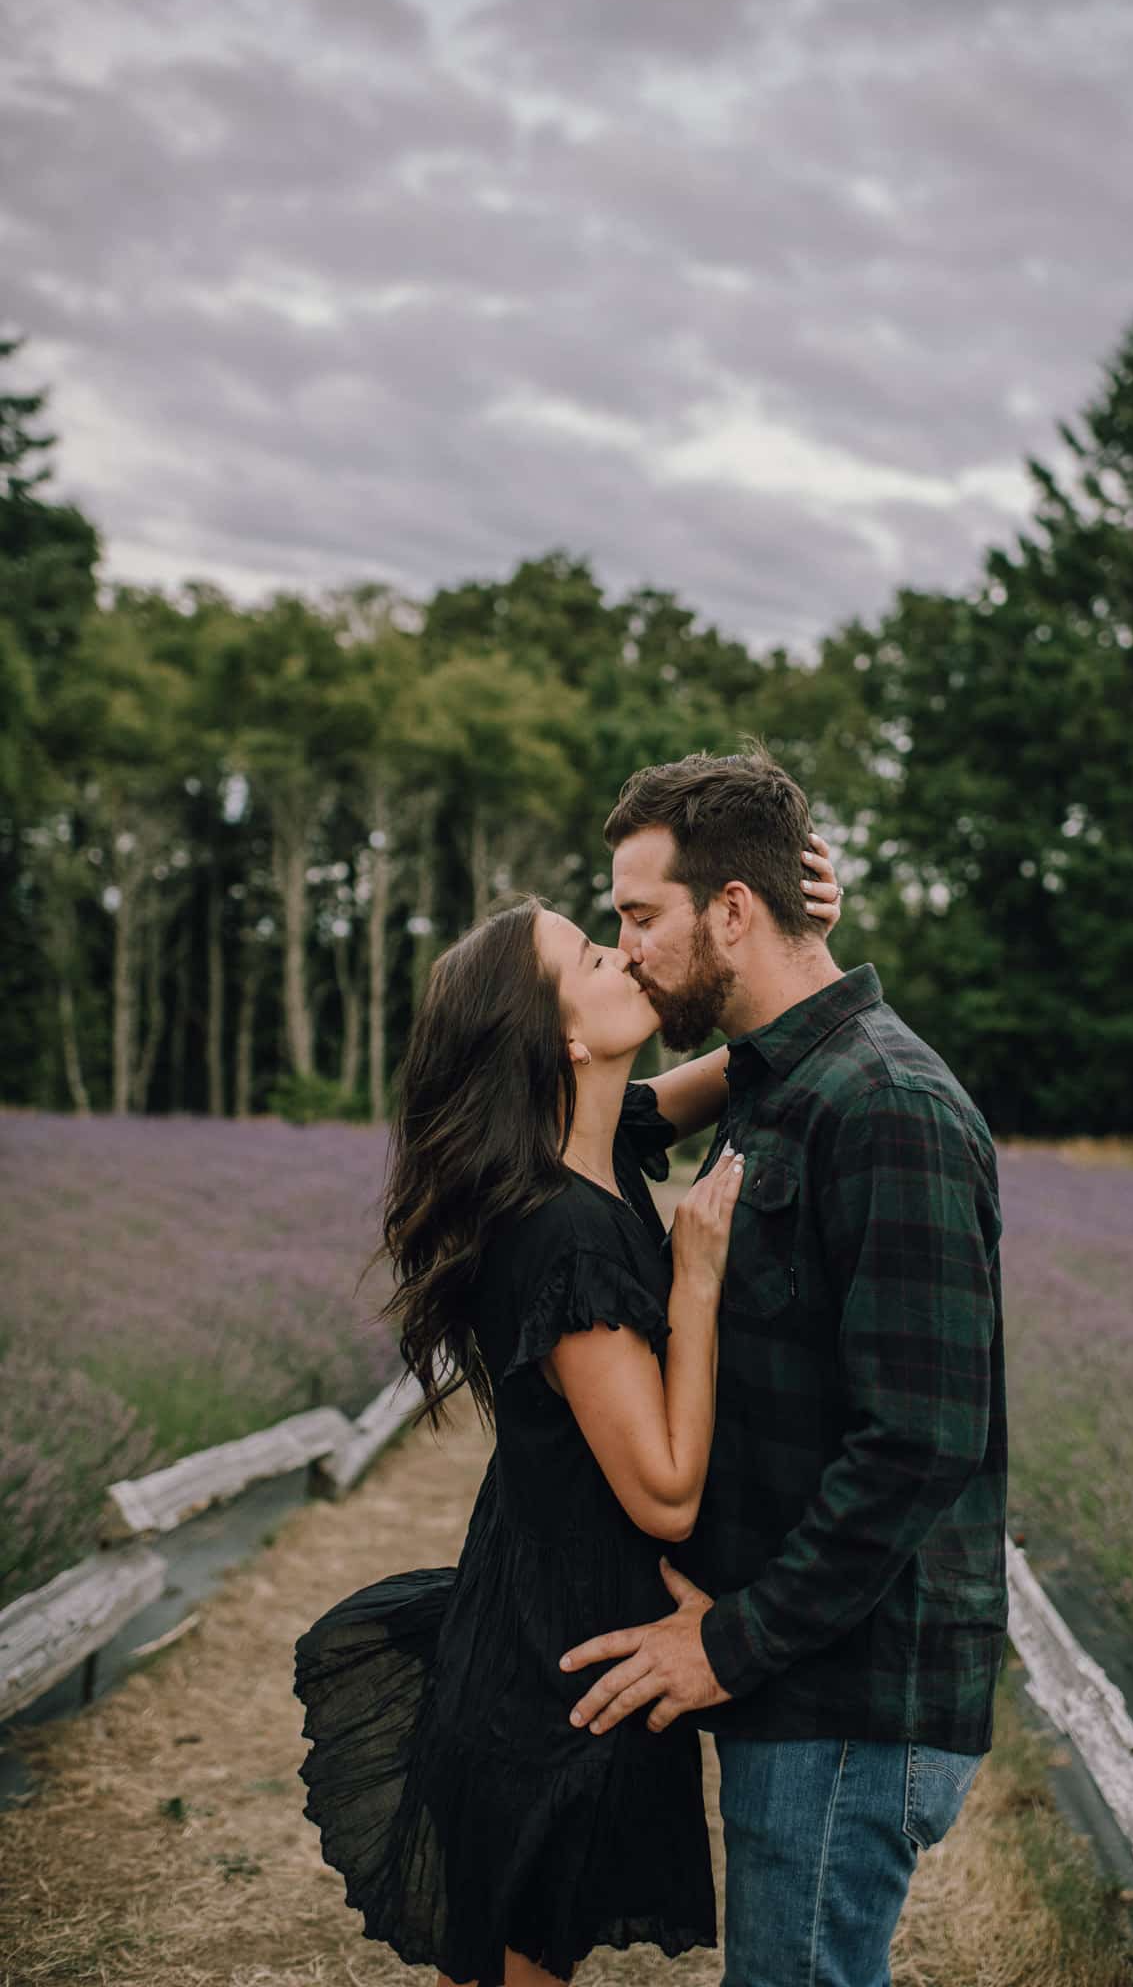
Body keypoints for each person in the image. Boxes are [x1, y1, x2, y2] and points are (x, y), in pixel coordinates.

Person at [293, 840, 843, 1987]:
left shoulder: (602, 1144)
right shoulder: (562, 1227)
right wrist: (694, 1278)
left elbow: (760, 1047)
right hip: (554, 1674)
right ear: (562, 1038)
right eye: (596, 951)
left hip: (562, 1631)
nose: (628, 949)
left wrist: (794, 930)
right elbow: (665, 1486)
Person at [560, 746, 1008, 1987]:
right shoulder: (781, 1081)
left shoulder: (886, 1106)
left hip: (848, 1690)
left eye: (640, 915)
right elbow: (593, 1123)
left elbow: (920, 1440)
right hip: (801, 1678)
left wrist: (732, 1641)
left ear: (733, 909)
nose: (631, 945)